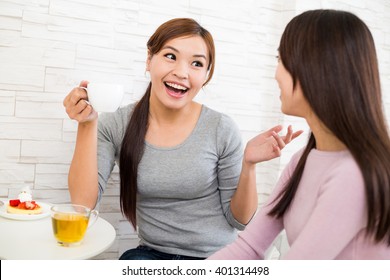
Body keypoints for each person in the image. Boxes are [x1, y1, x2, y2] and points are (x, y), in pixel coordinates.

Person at [63, 18, 301, 260]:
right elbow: (84, 204)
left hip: (218, 257)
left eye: (196, 63)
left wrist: (248, 166)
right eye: (170, 56)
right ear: (149, 59)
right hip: (152, 255)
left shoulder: (221, 128)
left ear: (206, 75)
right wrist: (87, 123)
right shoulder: (116, 124)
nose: (181, 73)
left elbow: (240, 221)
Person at [208, 9, 390, 260]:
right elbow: (248, 248)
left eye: (281, 59)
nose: (275, 73)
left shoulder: (354, 174)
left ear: (315, 68)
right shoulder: (302, 162)